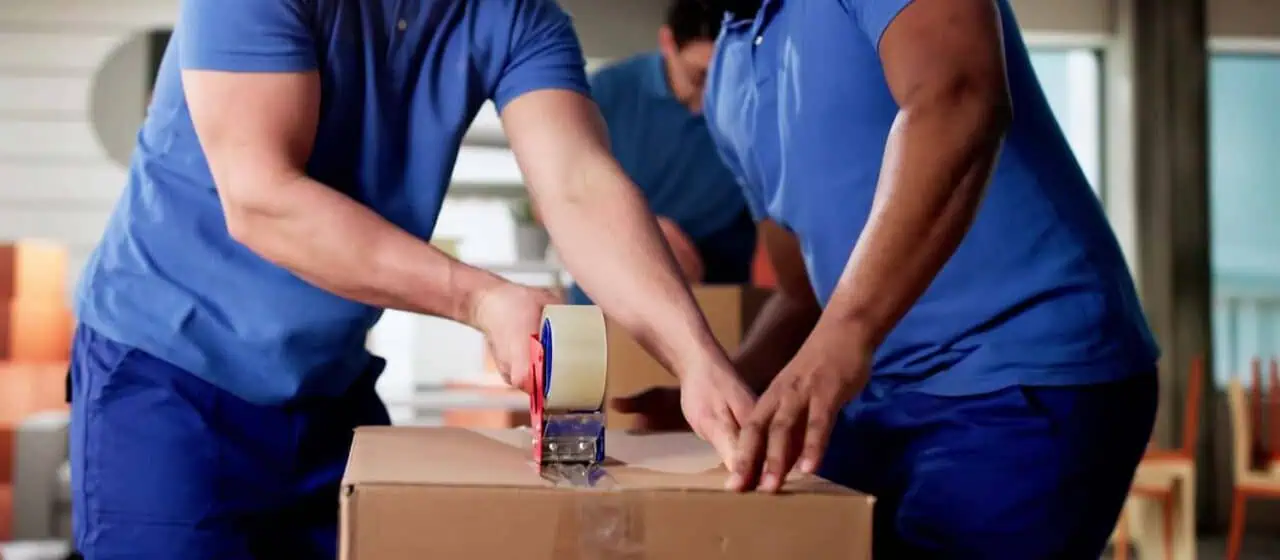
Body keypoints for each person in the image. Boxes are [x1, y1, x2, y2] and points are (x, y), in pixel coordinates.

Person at [67, 0, 757, 557]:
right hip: (166, 376)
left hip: (325, 385)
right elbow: (261, 198)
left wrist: (693, 356)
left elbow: (578, 185)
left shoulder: (521, 18)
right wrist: (483, 300)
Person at [618, 0, 1160, 556]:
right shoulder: (729, 75)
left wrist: (845, 335)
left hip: (1020, 373)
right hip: (875, 392)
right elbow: (804, 289)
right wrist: (729, 387)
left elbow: (959, 96)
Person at [564, 0, 757, 304]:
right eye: (700, 76)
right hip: (606, 307)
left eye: (727, 75)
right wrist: (640, 232)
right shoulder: (606, 93)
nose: (714, 94)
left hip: (718, 308)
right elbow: (552, 198)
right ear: (667, 43)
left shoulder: (756, 108)